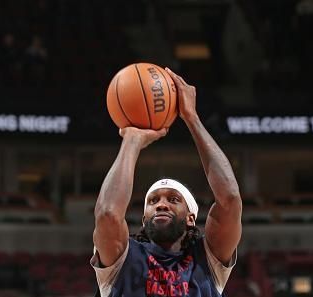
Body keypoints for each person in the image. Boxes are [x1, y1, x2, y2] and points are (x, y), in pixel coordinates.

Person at [91, 68, 242, 297]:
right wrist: (132, 140)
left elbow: (230, 199)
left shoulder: (208, 261)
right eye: (152, 201)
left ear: (191, 218)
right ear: (143, 219)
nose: (161, 204)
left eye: (173, 199)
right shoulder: (123, 258)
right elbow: (108, 214)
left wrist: (192, 118)